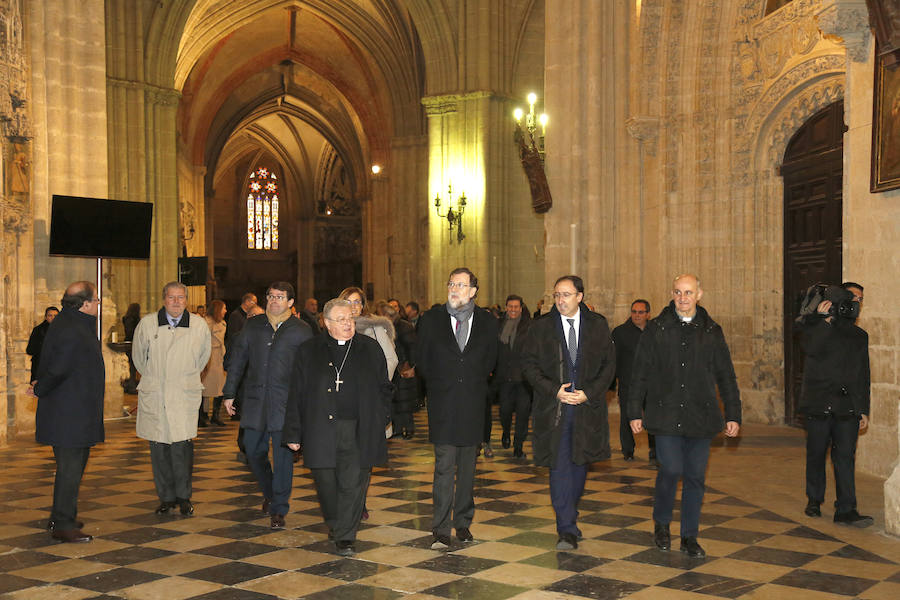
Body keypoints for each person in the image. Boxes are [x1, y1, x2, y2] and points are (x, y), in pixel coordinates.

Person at [628, 274, 740, 558]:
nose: (683, 298)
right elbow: (639, 372)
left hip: (700, 416)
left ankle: (690, 536)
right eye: (678, 292)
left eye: (688, 292)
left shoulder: (712, 331)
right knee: (671, 469)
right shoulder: (656, 328)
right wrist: (633, 411)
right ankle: (662, 524)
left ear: (699, 294)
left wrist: (733, 413)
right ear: (672, 294)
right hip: (665, 413)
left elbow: (726, 375)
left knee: (695, 477)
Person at [283, 298, 393, 556]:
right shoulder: (308, 351)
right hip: (320, 428)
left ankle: (346, 535)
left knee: (354, 483)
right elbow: (296, 393)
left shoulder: (369, 348)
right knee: (326, 483)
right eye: (341, 319)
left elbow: (384, 388)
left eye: (351, 319)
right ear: (326, 322)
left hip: (359, 427)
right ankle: (335, 523)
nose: (348, 324)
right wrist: (293, 432)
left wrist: (381, 417)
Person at [521, 275, 615, 550]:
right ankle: (566, 528)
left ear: (579, 297)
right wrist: (554, 390)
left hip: (587, 408)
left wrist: (590, 392)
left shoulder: (597, 326)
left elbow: (609, 366)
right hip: (555, 410)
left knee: (579, 464)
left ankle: (569, 513)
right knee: (560, 466)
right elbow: (529, 365)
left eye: (566, 295)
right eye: (557, 295)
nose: (560, 300)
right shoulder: (541, 328)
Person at [415, 267, 498, 549]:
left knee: (467, 468)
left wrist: (472, 381)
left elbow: (490, 359)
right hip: (443, 403)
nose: (455, 289)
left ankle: (462, 522)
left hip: (473, 403)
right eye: (451, 283)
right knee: (443, 467)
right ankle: (440, 527)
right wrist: (440, 383)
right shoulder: (432, 318)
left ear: (473, 291)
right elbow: (421, 358)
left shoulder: (487, 321)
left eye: (461, 285)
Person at [223, 282, 312, 529]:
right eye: (271, 296)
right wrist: (229, 393)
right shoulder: (253, 325)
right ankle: (271, 493)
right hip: (255, 401)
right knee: (252, 450)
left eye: (280, 297)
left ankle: (279, 508)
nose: (274, 301)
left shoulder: (301, 330)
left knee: (284, 456)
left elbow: (309, 370)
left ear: (290, 302)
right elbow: (238, 361)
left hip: (286, 403)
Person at [30, 282, 103, 543]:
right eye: (96, 300)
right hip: (69, 414)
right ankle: (63, 524)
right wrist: (40, 389)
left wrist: (41, 387)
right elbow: (59, 368)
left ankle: (59, 515)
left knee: (72, 467)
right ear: (84, 304)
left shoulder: (69, 322)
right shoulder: (73, 328)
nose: (98, 304)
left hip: (73, 410)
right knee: (71, 469)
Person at [133, 281, 211, 516]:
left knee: (181, 448)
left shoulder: (198, 325)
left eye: (180, 297)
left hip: (182, 393)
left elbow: (202, 358)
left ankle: (184, 496)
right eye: (171, 297)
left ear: (186, 300)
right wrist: (156, 378)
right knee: (158, 448)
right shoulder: (147, 324)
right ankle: (166, 497)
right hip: (156, 393)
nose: (176, 302)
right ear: (163, 299)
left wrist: (182, 377)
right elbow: (139, 358)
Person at [797, 282, 873, 527]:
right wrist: (824, 321)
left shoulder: (859, 335)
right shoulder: (813, 326)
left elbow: (863, 375)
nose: (856, 302)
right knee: (817, 454)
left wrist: (863, 409)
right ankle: (814, 500)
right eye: (852, 296)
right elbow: (812, 349)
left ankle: (846, 509)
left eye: (860, 299)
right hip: (818, 403)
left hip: (847, 406)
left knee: (845, 457)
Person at [611, 299, 655, 462]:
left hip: (651, 384)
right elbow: (614, 359)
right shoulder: (620, 332)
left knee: (652, 417)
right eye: (634, 312)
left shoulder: (655, 331)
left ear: (648, 314)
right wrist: (611, 382)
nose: (637, 315)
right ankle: (628, 450)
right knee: (627, 418)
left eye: (641, 312)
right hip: (628, 383)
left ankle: (655, 451)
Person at [496, 295, 532, 458]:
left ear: (521, 308)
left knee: (523, 413)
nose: (513, 309)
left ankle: (518, 445)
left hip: (523, 379)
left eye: (516, 307)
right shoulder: (499, 325)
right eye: (510, 306)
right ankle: (505, 432)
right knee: (504, 410)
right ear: (506, 307)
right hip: (504, 377)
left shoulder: (529, 326)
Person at [375, 300, 417, 439]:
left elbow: (412, 347)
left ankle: (409, 428)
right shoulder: (386, 327)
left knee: (405, 400)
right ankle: (398, 428)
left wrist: (411, 365)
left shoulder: (403, 326)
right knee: (396, 400)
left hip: (404, 366)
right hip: (395, 366)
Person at [200, 299, 228, 427]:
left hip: (218, 357)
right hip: (208, 358)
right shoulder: (204, 323)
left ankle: (215, 415)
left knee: (220, 388)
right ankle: (202, 415)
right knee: (204, 388)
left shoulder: (222, 323)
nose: (225, 311)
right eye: (224, 308)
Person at [26, 306, 59, 382]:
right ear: (45, 317)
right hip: (40, 368)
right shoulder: (38, 330)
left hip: (57, 368)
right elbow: (30, 350)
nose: (53, 318)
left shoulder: (64, 330)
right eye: (50, 315)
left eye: (55, 316)